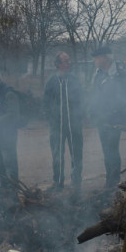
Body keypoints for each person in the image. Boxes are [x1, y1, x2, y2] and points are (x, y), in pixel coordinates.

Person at [88, 46, 126, 190]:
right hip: (102, 120)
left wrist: (114, 110)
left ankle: (114, 181)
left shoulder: (119, 74)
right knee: (106, 150)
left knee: (112, 149)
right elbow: (95, 95)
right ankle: (110, 180)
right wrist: (93, 111)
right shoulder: (98, 74)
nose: (95, 60)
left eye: (97, 58)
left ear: (104, 58)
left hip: (114, 120)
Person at [43, 52, 84, 193]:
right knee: (57, 154)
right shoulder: (51, 81)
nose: (68, 63)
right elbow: (46, 102)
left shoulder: (75, 80)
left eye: (68, 60)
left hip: (74, 125)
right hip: (57, 126)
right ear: (58, 64)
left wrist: (80, 116)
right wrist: (50, 118)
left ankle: (76, 182)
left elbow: (81, 100)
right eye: (65, 61)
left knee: (76, 153)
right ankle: (58, 182)